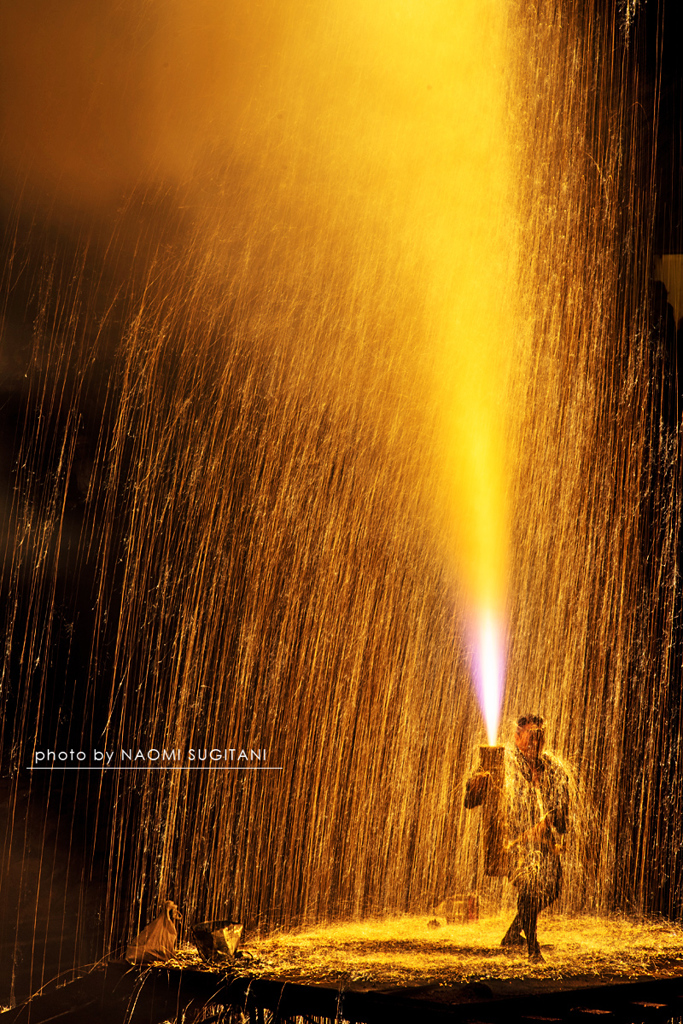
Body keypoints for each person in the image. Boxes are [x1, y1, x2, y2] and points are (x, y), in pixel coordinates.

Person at [465, 714, 569, 962]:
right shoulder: (500, 762)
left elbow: (563, 815)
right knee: (531, 883)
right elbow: (470, 801)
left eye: (540, 737)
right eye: (531, 736)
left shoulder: (552, 767)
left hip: (542, 844)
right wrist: (477, 785)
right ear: (517, 736)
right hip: (509, 843)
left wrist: (550, 820)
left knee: (553, 887)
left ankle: (513, 934)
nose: (536, 742)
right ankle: (533, 947)